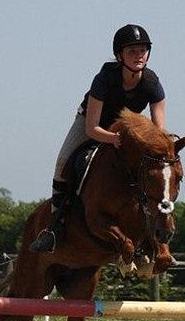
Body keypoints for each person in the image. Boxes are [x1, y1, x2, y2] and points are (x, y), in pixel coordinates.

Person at [29, 24, 167, 253]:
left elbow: (158, 130)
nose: (139, 56)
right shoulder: (104, 79)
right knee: (63, 162)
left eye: (142, 50)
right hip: (91, 125)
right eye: (132, 51)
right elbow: (93, 128)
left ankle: (153, 228)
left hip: (127, 129)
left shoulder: (151, 83)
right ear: (119, 55)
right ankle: (53, 229)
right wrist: (113, 139)